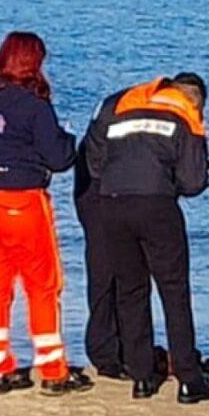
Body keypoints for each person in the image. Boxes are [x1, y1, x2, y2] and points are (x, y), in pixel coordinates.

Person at [0, 31, 92, 396]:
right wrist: (66, 138)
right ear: (34, 63)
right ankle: (53, 369)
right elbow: (59, 160)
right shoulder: (32, 103)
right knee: (43, 285)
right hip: (21, 199)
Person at [81, 72, 209, 404]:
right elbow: (192, 182)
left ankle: (142, 376)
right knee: (174, 291)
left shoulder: (123, 103)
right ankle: (189, 378)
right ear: (196, 99)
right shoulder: (184, 114)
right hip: (157, 205)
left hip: (113, 203)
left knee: (131, 291)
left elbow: (95, 159)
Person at [72, 88, 127, 379]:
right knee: (107, 272)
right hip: (98, 188)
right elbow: (94, 160)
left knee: (116, 272)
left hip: (104, 186)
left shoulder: (118, 107)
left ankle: (119, 349)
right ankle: (107, 353)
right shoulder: (119, 111)